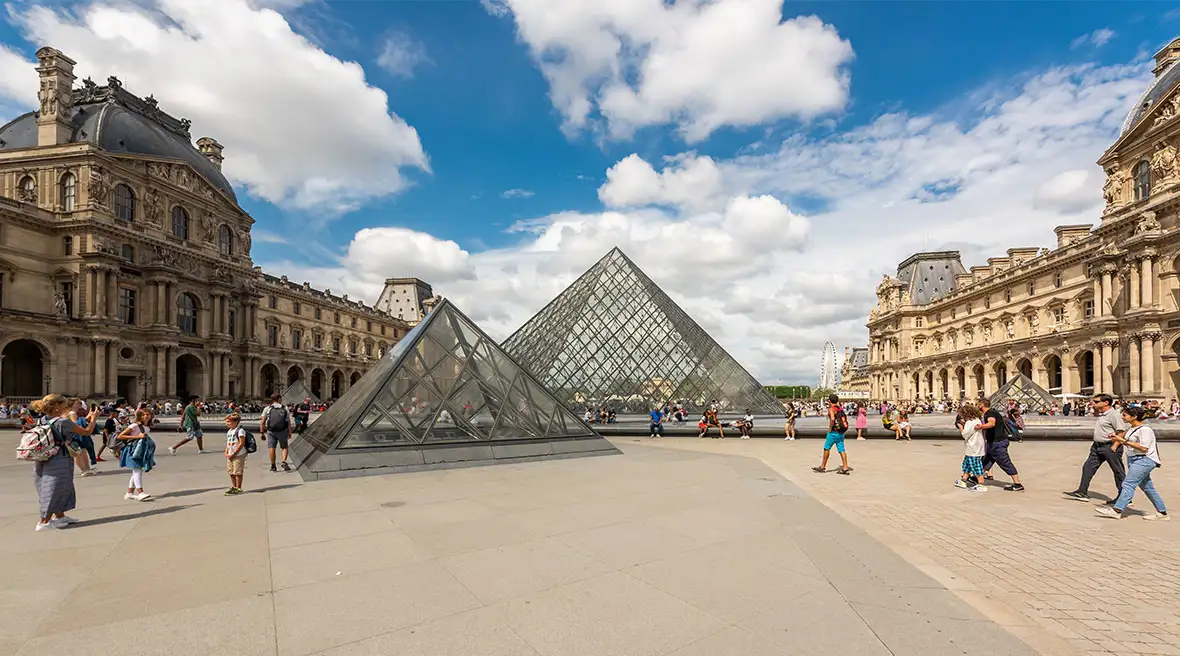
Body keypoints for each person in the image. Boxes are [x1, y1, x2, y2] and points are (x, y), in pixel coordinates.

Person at [30, 394, 98, 531]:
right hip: (59, 459)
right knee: (54, 487)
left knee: (56, 486)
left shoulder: (42, 420)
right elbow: (86, 432)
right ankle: (44, 522)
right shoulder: (63, 422)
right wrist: (94, 419)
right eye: (63, 405)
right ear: (56, 407)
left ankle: (60, 516)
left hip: (43, 457)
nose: (65, 407)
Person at [1095, 406, 1168, 520]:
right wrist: (1115, 438)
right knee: (1148, 487)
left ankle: (1117, 510)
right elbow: (1127, 438)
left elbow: (1144, 448)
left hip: (1144, 459)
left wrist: (1122, 441)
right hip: (1135, 459)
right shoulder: (1132, 428)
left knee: (1128, 484)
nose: (1122, 417)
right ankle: (1162, 513)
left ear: (1134, 417)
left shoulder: (1145, 430)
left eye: (1124, 415)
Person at [1064, 394, 1126, 502]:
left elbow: (1121, 431)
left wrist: (1115, 446)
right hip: (1097, 446)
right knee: (1087, 467)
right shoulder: (1103, 414)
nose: (1094, 403)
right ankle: (1082, 491)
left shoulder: (1113, 415)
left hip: (1110, 446)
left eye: (1096, 402)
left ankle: (1125, 497)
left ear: (1106, 402)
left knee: (1118, 472)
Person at [979, 398, 1024, 492]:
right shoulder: (993, 412)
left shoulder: (990, 413)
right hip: (994, 442)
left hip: (997, 443)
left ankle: (1017, 484)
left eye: (977, 404)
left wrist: (980, 427)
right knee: (986, 461)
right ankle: (976, 478)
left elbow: (992, 423)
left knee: (1005, 462)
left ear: (981, 405)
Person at [117, 409, 156, 501]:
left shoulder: (146, 427)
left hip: (140, 450)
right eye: (144, 414)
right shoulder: (134, 426)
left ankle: (129, 493)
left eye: (148, 414)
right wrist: (136, 437)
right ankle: (140, 492)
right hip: (132, 450)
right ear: (140, 416)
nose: (147, 416)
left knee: (137, 470)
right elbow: (120, 436)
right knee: (137, 469)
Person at [812, 394, 851, 474]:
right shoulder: (840, 408)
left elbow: (832, 419)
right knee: (841, 449)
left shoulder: (831, 409)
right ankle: (845, 467)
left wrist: (830, 428)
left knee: (826, 448)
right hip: (841, 432)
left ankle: (822, 466)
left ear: (829, 401)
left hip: (833, 432)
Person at [954, 404, 987, 492]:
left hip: (973, 446)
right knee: (967, 464)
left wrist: (961, 427)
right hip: (976, 445)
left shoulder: (970, 422)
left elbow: (965, 434)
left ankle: (981, 484)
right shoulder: (977, 420)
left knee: (976, 465)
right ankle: (963, 480)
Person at [260, 393, 292, 472]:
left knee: (272, 448)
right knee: (284, 447)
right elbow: (288, 421)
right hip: (282, 431)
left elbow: (262, 422)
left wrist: (262, 432)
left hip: (271, 431)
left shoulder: (267, 408)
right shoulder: (285, 408)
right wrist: (290, 431)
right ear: (279, 399)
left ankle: (273, 466)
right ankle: (284, 461)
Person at [67, 398, 97, 477]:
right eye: (78, 403)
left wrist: (89, 415)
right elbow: (75, 424)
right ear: (72, 404)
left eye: (80, 403)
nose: (80, 404)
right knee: (78, 454)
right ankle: (84, 470)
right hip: (74, 435)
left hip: (76, 434)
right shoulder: (72, 413)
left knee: (83, 452)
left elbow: (80, 421)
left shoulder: (74, 413)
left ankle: (87, 469)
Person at [224, 413, 249, 495]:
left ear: (236, 422)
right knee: (231, 472)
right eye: (226, 422)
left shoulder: (240, 431)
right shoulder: (229, 431)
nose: (227, 423)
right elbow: (228, 443)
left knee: (237, 472)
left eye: (229, 422)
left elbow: (241, 443)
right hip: (230, 454)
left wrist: (235, 453)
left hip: (238, 454)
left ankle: (238, 487)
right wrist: (226, 452)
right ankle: (233, 486)